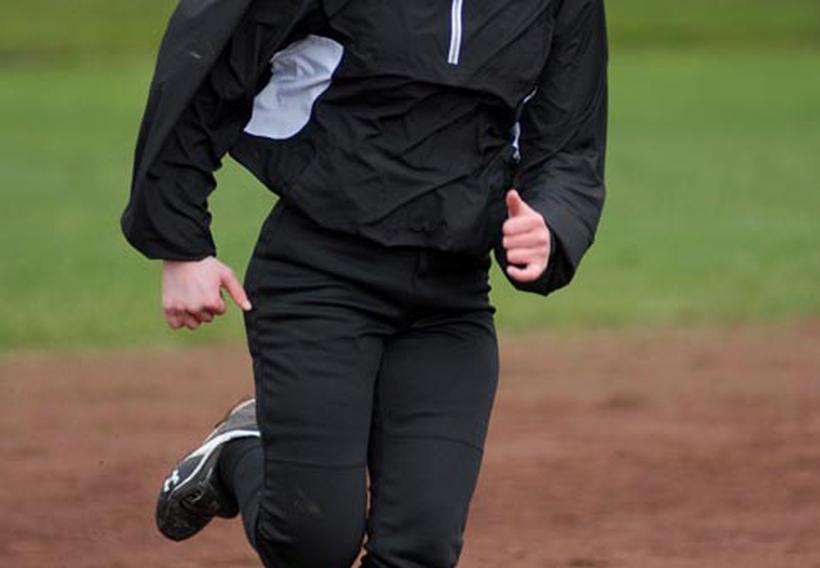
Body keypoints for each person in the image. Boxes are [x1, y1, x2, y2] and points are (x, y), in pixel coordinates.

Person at [121, 0, 607, 566]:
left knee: (420, 549)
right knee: (314, 544)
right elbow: (212, 57)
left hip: (450, 302)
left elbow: (570, 142)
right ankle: (239, 452)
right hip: (319, 277)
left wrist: (550, 224)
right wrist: (180, 244)